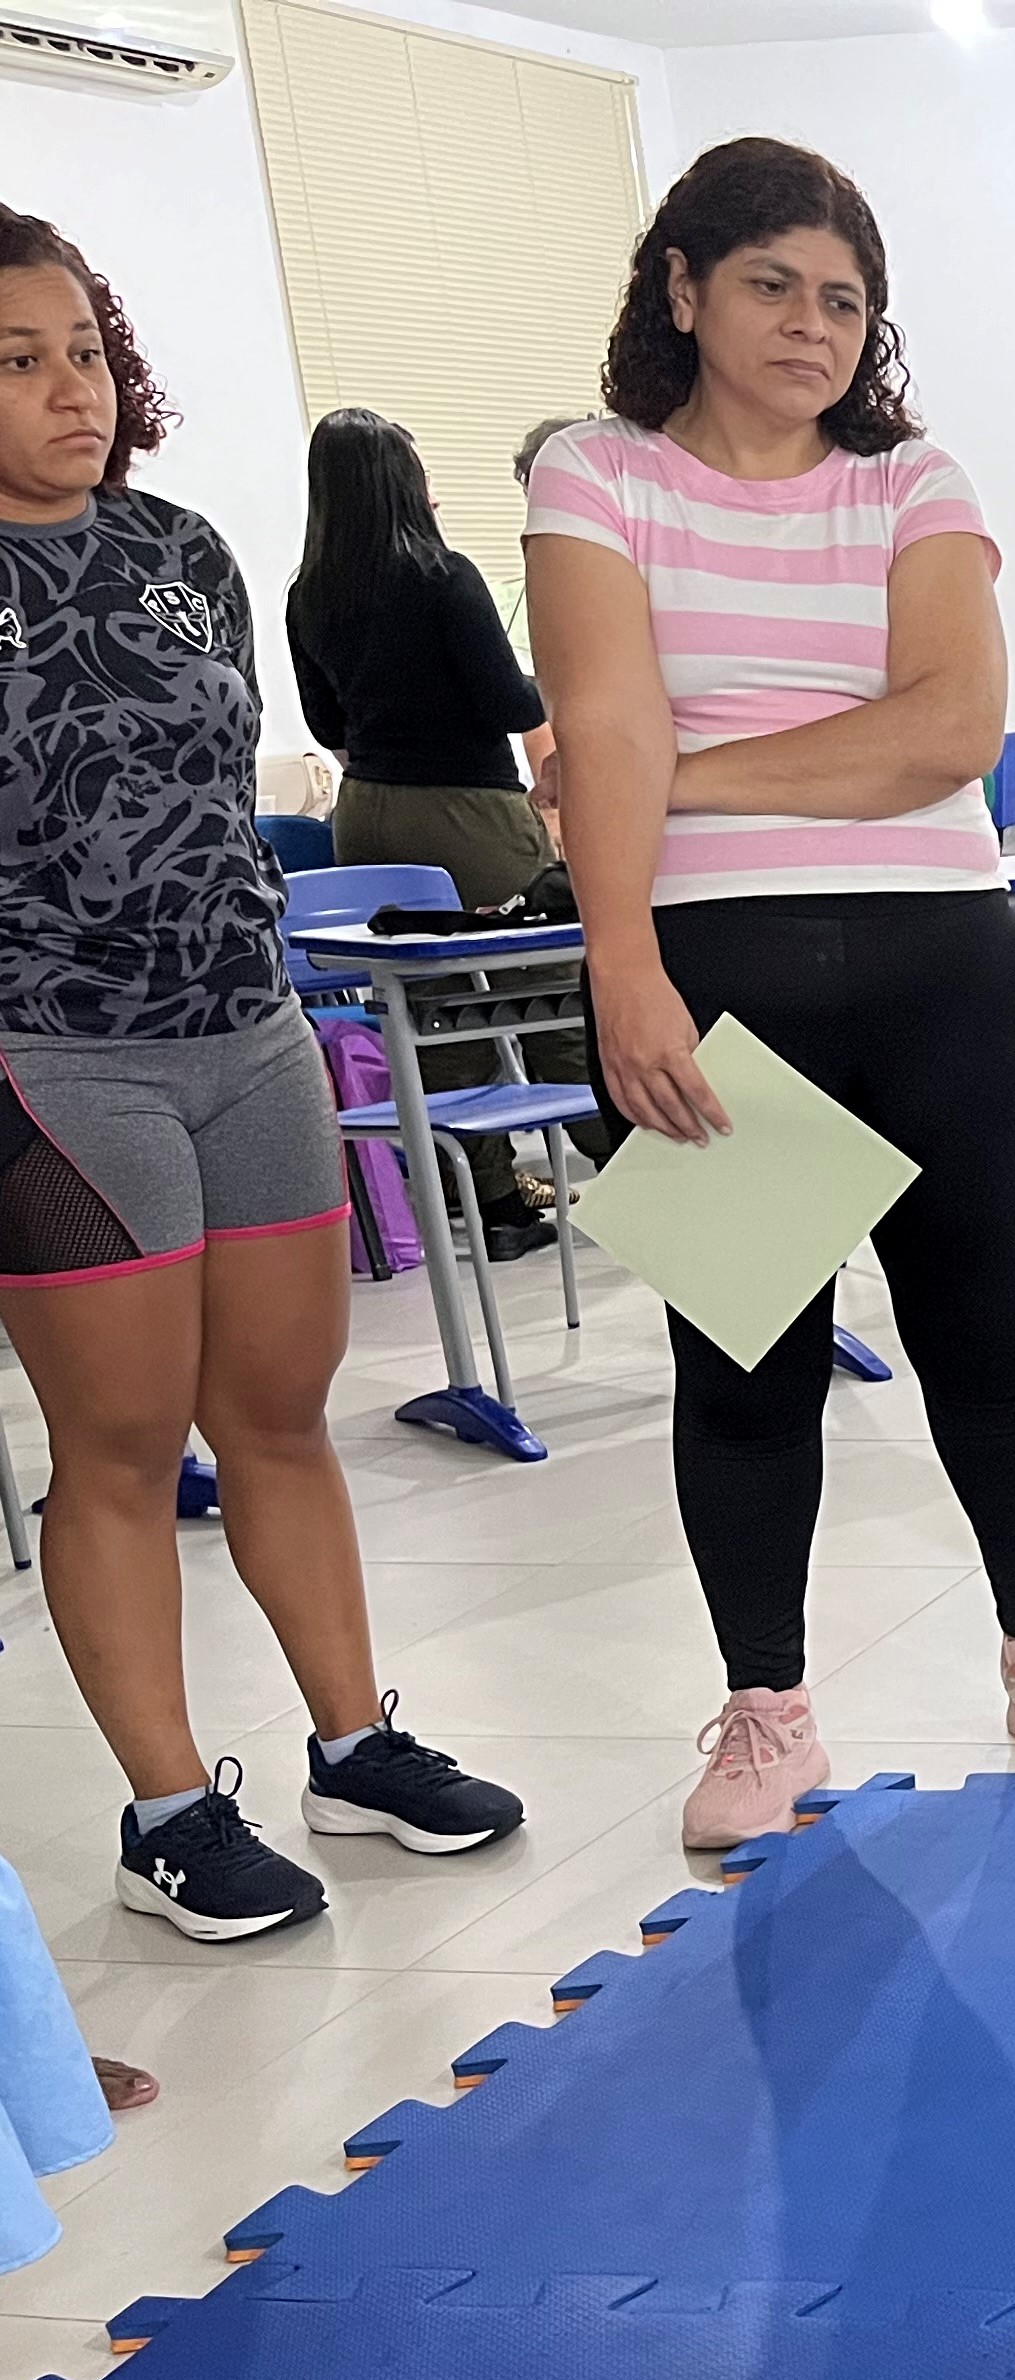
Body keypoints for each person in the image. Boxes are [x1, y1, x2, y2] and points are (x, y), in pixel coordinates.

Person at [526, 138, 1015, 1848]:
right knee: (745, 1363)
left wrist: (663, 770)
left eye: (844, 299)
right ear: (682, 288)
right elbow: (597, 712)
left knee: (984, 1333)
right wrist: (625, 956)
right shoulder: (598, 476)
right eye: (772, 285)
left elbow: (951, 731)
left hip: (946, 967)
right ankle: (766, 1710)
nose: (813, 324)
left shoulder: (911, 483)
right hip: (710, 981)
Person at [0, 203, 524, 1943]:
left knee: (283, 1412)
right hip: (56, 1058)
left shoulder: (181, 546)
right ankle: (166, 1810)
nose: (72, 388)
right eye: (19, 361)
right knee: (125, 1440)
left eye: (84, 349)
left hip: (247, 1028)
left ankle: (354, 1740)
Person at [283, 405, 583, 1248]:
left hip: (368, 818)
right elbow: (509, 703)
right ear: (402, 486)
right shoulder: (444, 578)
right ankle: (640, 1167)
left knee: (433, 1014)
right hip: (465, 813)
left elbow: (322, 719)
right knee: (548, 984)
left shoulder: (308, 595)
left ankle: (486, 1196)